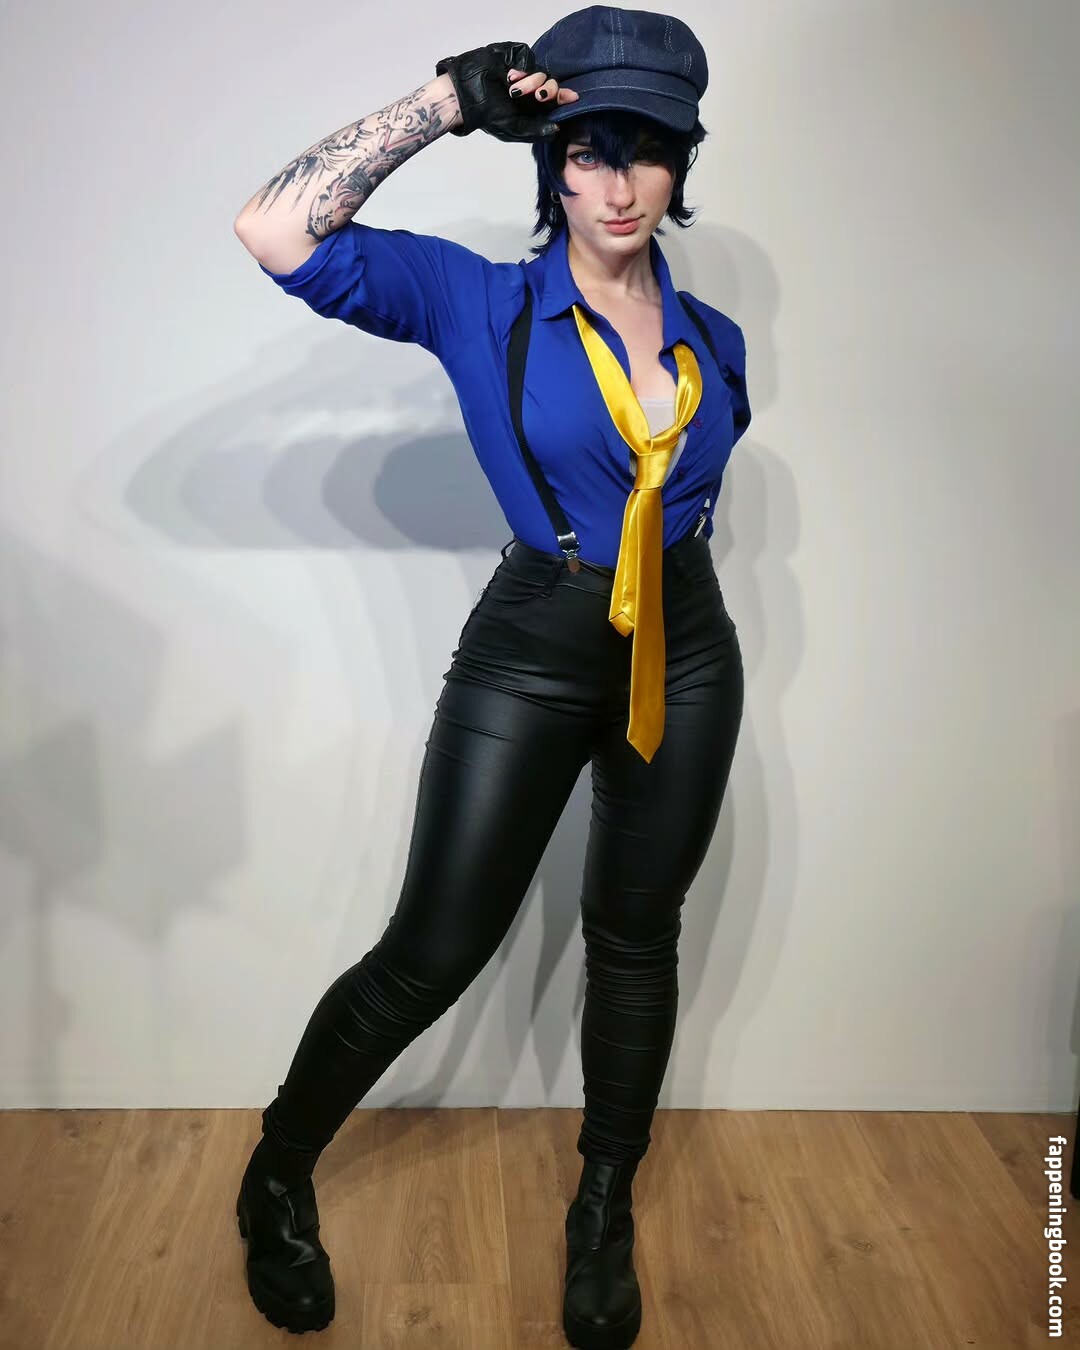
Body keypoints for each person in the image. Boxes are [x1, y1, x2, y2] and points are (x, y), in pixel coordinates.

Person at [231, 7, 749, 1347]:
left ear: (683, 165)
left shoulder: (719, 341)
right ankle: (275, 1173)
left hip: (688, 645)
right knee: (432, 951)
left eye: (648, 152)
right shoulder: (484, 303)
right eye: (590, 151)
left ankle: (601, 1209)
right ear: (550, 163)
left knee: (636, 939)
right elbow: (276, 231)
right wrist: (445, 104)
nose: (619, 184)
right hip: (535, 646)